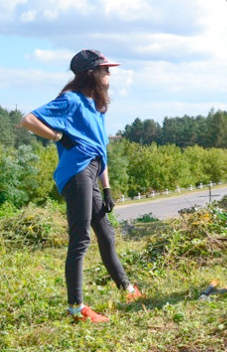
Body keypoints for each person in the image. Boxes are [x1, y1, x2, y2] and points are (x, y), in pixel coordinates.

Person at [20, 49, 142, 323]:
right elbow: (28, 120)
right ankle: (76, 308)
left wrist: (107, 189)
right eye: (105, 69)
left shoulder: (96, 105)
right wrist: (58, 135)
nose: (110, 73)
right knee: (81, 238)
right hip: (76, 174)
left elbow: (101, 150)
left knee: (106, 234)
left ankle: (128, 289)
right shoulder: (71, 100)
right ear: (91, 73)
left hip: (92, 172)